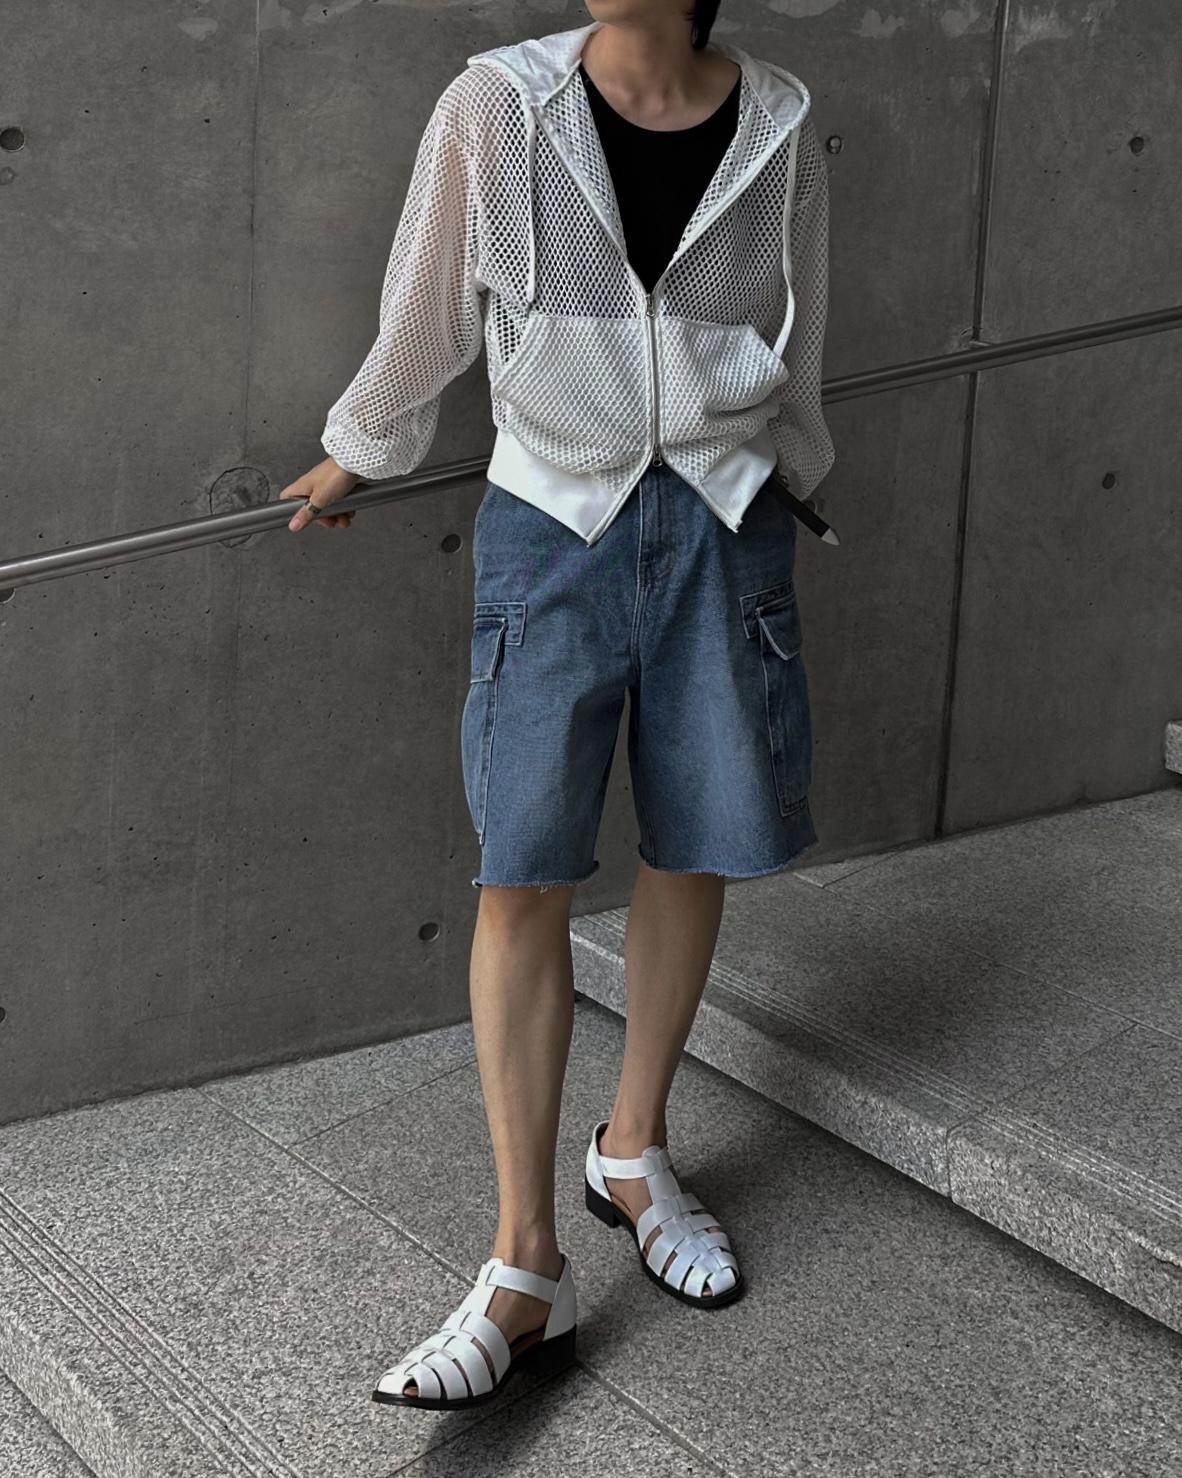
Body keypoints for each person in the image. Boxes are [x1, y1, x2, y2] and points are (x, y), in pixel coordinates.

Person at [278, 0, 833, 1412]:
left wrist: (794, 475)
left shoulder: (778, 119)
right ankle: (526, 1261)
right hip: (549, 522)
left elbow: (799, 327)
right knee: (521, 866)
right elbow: (427, 306)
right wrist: (360, 447)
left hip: (723, 515)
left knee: (695, 840)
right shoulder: (498, 105)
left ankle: (632, 1150)